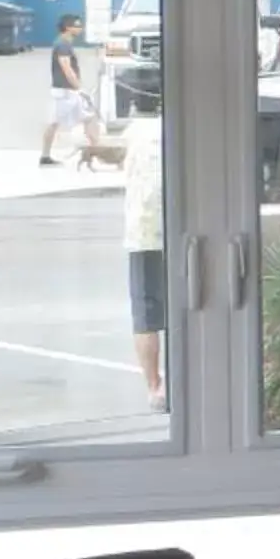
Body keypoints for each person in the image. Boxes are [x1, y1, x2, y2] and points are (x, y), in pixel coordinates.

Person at [121, 80, 166, 408]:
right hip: (179, 228)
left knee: (146, 313)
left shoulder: (133, 133)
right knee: (184, 306)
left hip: (142, 232)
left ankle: (154, 387)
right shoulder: (178, 129)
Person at [38, 14, 97, 165]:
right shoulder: (63, 45)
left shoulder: (63, 44)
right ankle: (45, 156)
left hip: (68, 91)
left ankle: (95, 152)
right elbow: (66, 67)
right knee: (54, 122)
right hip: (65, 92)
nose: (80, 28)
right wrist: (79, 87)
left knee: (89, 118)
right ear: (68, 27)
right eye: (77, 25)